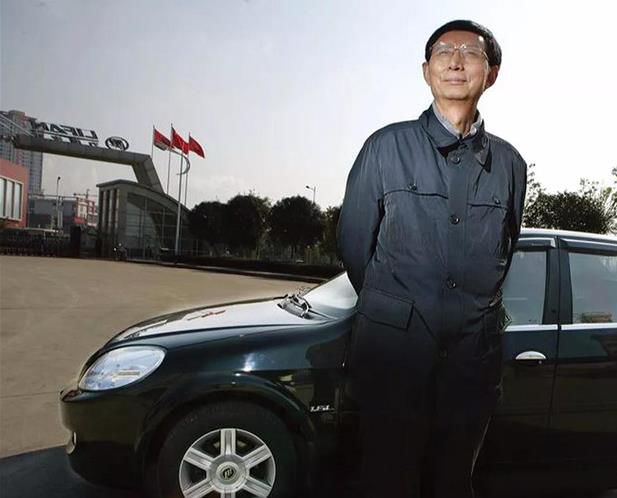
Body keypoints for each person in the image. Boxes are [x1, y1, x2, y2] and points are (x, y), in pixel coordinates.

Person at [337, 20, 527, 498]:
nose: (456, 61)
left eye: (471, 52)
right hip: (392, 359)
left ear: (492, 74)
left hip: (472, 364)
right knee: (388, 481)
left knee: (454, 482)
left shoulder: (510, 165)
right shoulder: (385, 147)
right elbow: (356, 248)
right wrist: (401, 313)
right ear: (426, 71)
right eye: (444, 51)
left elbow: (503, 252)